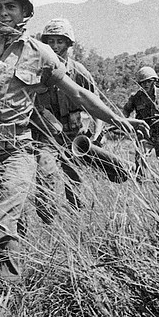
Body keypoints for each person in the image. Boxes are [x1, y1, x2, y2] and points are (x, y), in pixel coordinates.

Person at [0, 0, 148, 281]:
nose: (3, 12)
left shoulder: (40, 54)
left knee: (4, 221)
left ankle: (7, 292)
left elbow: (78, 93)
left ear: (25, 12)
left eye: (11, 6)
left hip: (17, 150)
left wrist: (118, 119)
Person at [31, 18, 103, 221]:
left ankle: (76, 222)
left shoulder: (79, 71)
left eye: (59, 41)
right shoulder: (38, 70)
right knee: (45, 176)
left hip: (75, 135)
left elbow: (94, 103)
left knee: (75, 182)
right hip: (47, 136)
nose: (55, 46)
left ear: (69, 43)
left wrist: (96, 134)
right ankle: (49, 225)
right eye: (51, 41)